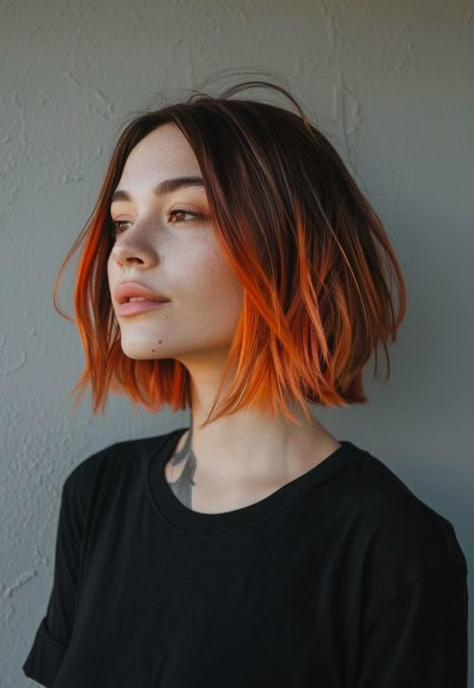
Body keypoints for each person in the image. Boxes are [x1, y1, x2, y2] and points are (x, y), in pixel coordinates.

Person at [23, 79, 468, 687]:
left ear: (287, 244)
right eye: (121, 220)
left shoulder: (392, 548)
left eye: (182, 212)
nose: (127, 248)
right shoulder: (97, 495)